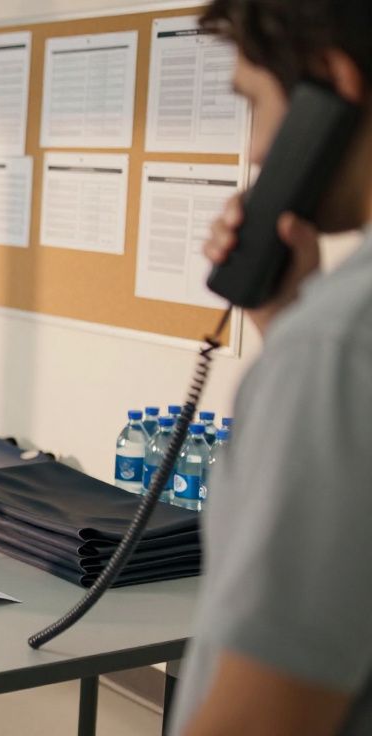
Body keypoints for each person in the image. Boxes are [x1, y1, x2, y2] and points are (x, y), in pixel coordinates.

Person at [173, 1, 372, 733]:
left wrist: (305, 339)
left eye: (253, 102)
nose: (257, 154)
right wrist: (286, 317)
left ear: (335, 85)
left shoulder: (339, 345)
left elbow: (266, 718)